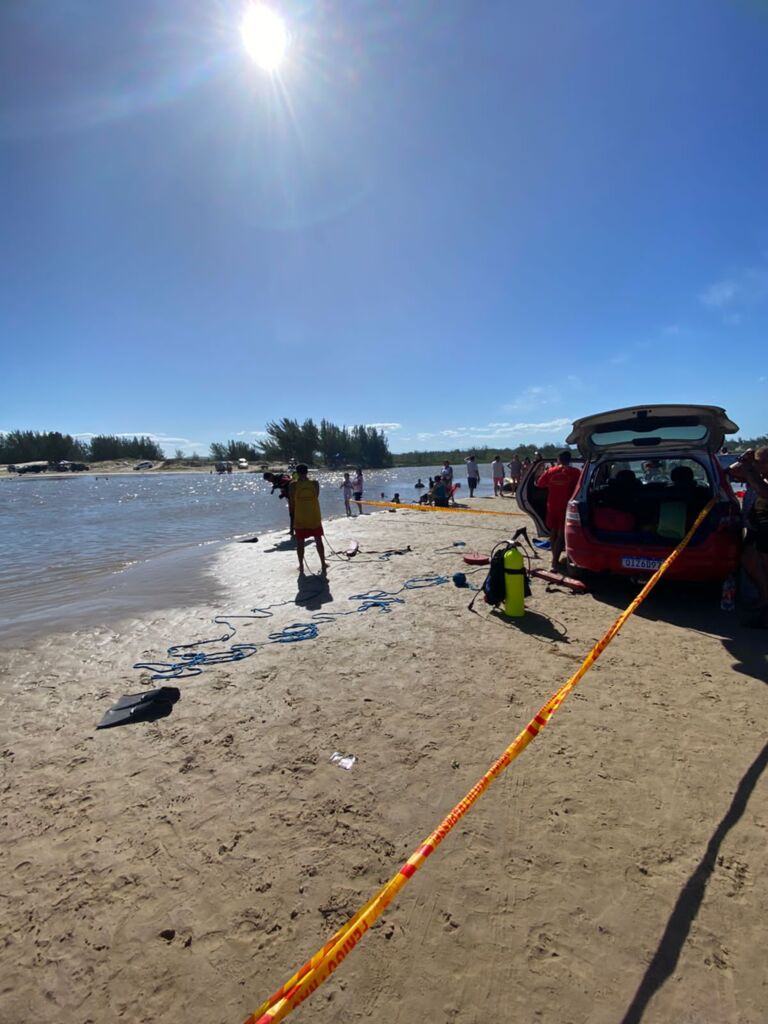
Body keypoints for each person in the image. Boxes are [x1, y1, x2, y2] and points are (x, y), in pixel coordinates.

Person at [728, 447, 768, 623]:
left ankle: (764, 602)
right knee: (749, 560)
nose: (760, 465)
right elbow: (730, 471)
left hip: (766, 528)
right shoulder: (754, 473)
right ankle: (764, 596)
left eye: (763, 462)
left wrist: (750, 469)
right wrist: (745, 459)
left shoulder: (758, 479)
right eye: (760, 461)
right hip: (755, 527)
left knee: (765, 566)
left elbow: (764, 492)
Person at [534, 450, 581, 572]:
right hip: (565, 507)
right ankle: (555, 562)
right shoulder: (575, 472)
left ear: (558, 459)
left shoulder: (550, 471)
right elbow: (581, 486)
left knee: (553, 532)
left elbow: (539, 484)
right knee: (561, 534)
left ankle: (553, 560)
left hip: (552, 506)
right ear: (569, 460)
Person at [288, 464, 328, 575]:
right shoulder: (315, 483)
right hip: (314, 516)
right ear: (307, 472)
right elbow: (316, 496)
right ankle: (323, 563)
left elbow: (292, 501)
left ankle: (301, 566)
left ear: (296, 472)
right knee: (318, 540)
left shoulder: (292, 485)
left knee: (300, 542)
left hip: (300, 517)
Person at [264, 471, 294, 537]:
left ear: (272, 475)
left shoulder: (281, 478)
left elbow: (291, 482)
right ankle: (292, 530)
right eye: (267, 480)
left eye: (269, 479)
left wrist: (279, 486)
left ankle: (292, 531)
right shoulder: (275, 480)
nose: (269, 481)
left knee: (292, 515)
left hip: (293, 498)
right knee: (292, 515)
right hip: (289, 497)